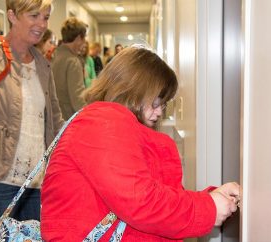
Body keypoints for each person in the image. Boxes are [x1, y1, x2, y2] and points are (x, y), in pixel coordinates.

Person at [40, 46, 240, 241]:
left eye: (164, 104)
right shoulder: (104, 123)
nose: (160, 111)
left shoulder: (106, 123)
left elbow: (144, 193)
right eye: (157, 101)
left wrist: (209, 199)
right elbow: (140, 202)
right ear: (135, 89)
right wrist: (207, 208)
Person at [0, 0, 64, 222]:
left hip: (35, 182)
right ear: (12, 16)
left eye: (46, 17)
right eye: (34, 16)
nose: (41, 24)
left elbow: (55, 119)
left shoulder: (42, 64)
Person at [52, 17, 87, 120]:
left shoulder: (54, 56)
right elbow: (78, 100)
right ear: (78, 38)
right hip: (68, 119)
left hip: (54, 118)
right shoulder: (73, 62)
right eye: (83, 38)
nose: (84, 43)